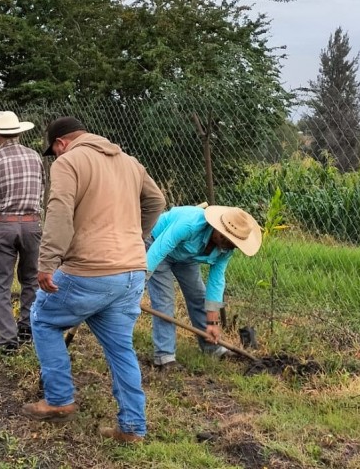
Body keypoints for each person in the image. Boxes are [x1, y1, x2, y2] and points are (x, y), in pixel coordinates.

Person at [22, 116, 166, 444]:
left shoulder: (69, 161)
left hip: (90, 270)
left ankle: (59, 400)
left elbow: (58, 211)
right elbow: (156, 200)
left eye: (54, 151)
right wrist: (136, 236)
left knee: (43, 320)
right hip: (131, 272)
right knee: (120, 348)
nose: (56, 156)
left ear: (60, 143)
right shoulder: (129, 162)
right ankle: (132, 427)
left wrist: (46, 263)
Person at [145, 205, 262, 371]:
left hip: (186, 257)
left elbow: (216, 280)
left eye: (232, 244)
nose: (226, 246)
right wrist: (139, 281)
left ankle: (211, 347)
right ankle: (165, 358)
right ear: (216, 227)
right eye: (225, 239)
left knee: (199, 297)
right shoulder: (190, 224)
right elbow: (160, 248)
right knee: (164, 301)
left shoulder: (226, 248)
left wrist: (212, 321)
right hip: (157, 244)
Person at [0, 111, 45, 355]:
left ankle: (7, 339)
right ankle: (27, 328)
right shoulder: (35, 157)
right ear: (19, 132)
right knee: (31, 279)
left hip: (3, 225)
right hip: (33, 224)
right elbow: (42, 192)